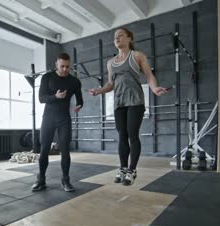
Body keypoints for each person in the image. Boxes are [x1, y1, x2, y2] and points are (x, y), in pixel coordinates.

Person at [89, 28, 169, 186]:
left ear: (129, 38)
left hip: (135, 101)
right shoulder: (110, 63)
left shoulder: (137, 56)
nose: (117, 38)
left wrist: (154, 88)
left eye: (120, 35)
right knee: (122, 136)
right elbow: (111, 84)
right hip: (119, 104)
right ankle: (123, 168)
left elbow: (148, 75)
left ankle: (132, 170)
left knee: (133, 135)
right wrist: (99, 91)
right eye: (115, 37)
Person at [32, 53, 83, 192]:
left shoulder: (74, 81)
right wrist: (55, 96)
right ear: (56, 65)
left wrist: (79, 105)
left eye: (67, 66)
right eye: (62, 66)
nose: (65, 69)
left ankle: (65, 180)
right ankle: (41, 179)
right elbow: (41, 98)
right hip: (48, 118)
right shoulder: (47, 77)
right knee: (44, 150)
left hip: (64, 119)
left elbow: (80, 99)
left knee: (65, 151)